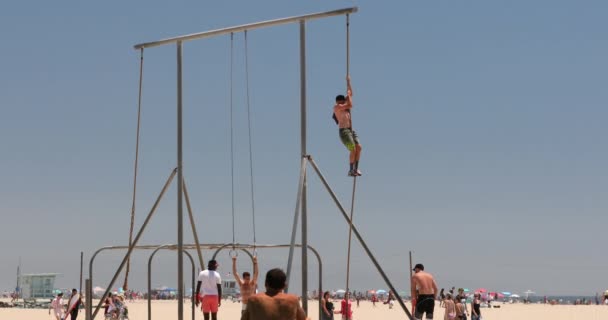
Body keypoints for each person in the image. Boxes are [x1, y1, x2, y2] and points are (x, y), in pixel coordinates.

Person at [241, 268, 308, 320]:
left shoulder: (253, 299)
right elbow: (302, 319)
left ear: (265, 284)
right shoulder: (292, 300)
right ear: (284, 285)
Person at [333, 76, 362, 177]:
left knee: (359, 147)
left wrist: (349, 82)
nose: (342, 103)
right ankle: (350, 170)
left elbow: (351, 93)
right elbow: (350, 105)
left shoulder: (344, 103)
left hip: (350, 130)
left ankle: (356, 168)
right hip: (344, 132)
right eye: (341, 102)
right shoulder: (337, 107)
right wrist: (348, 97)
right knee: (352, 149)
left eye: (342, 102)